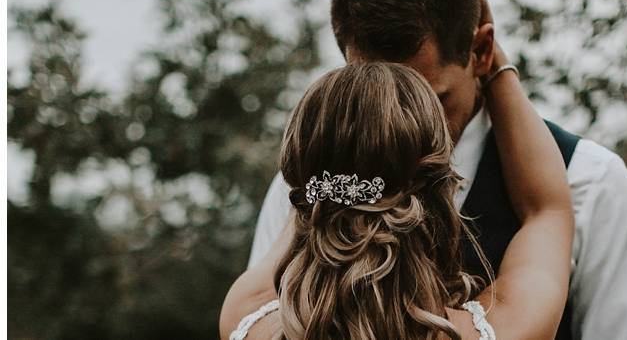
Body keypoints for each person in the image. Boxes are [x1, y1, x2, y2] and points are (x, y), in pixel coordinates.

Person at [247, 0, 627, 339]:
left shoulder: (592, 181)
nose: (412, 128)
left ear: (479, 51)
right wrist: (502, 72)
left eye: (432, 99)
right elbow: (547, 213)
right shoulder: (514, 301)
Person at [221, 60, 574, 339]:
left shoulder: (245, 319)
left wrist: (328, 174)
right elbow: (546, 210)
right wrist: (495, 64)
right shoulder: (501, 330)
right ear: (438, 192)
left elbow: (311, 204)